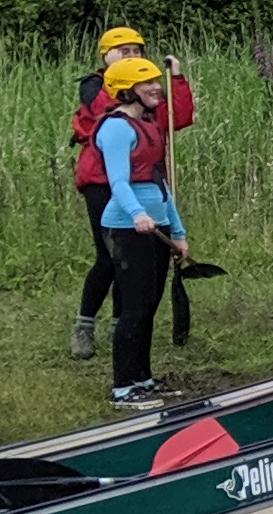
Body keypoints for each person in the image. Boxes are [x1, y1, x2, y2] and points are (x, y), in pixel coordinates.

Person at [68, 26, 192, 358]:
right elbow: (107, 109)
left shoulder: (145, 93)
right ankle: (84, 325)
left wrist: (175, 79)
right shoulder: (96, 87)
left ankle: (124, 325)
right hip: (101, 183)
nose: (132, 55)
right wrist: (134, 81)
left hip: (143, 182)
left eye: (136, 50)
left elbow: (177, 118)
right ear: (105, 56)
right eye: (122, 51)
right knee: (109, 258)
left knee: (135, 261)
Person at [89, 54, 188, 404]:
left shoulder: (147, 123)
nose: (156, 89)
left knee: (149, 305)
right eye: (146, 84)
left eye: (155, 82)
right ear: (126, 90)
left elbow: (159, 183)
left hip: (155, 224)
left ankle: (142, 378)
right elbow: (117, 181)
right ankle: (122, 387)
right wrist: (136, 214)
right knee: (133, 307)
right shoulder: (116, 127)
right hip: (127, 228)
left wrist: (177, 230)